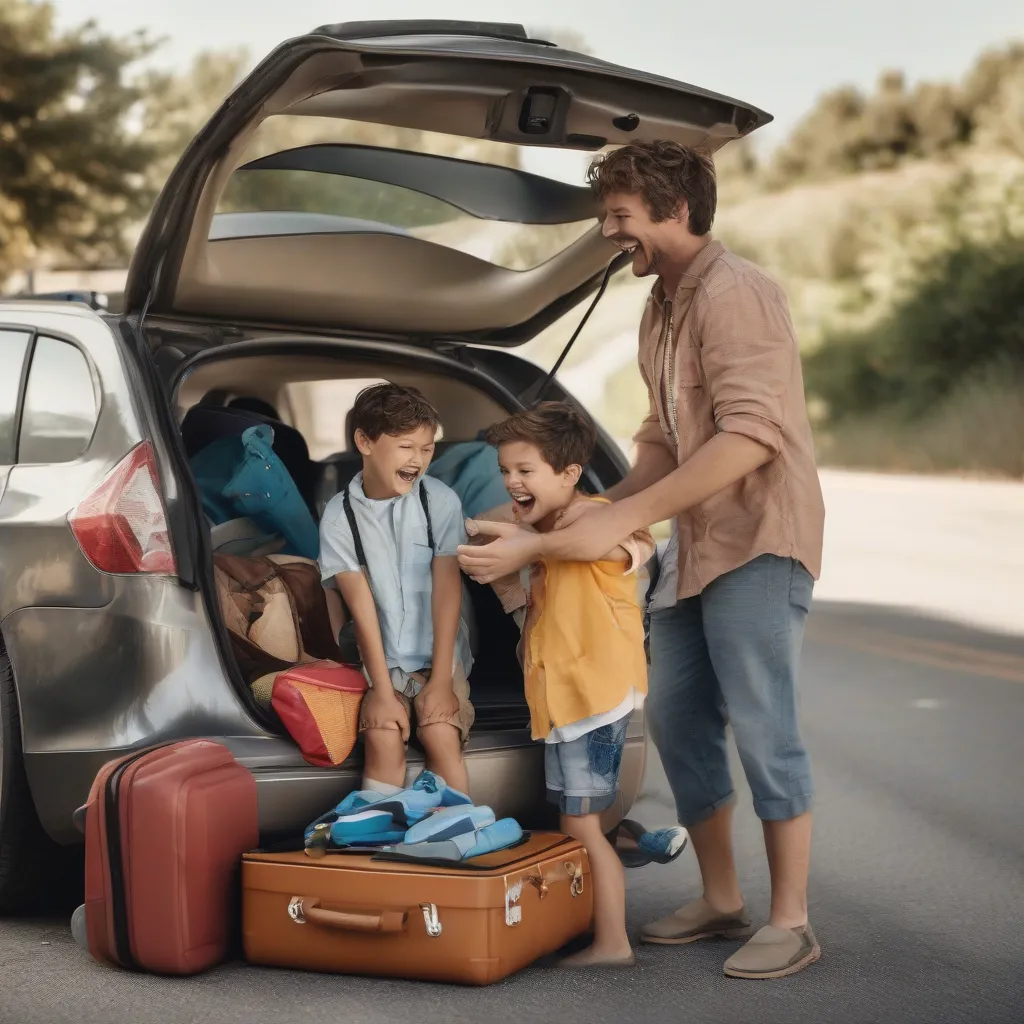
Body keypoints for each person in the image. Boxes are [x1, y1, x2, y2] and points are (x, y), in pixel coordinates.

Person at [458, 140, 826, 980]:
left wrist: (625, 518)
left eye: (620, 216)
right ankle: (724, 898)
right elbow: (662, 437)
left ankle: (793, 918)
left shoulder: (738, 295)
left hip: (760, 538)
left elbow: (750, 434)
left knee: (764, 725)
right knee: (681, 720)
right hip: (694, 545)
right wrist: (598, 515)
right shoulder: (662, 304)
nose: (608, 231)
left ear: (677, 211)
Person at [477, 402, 654, 968]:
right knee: (583, 820)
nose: (512, 482)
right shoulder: (550, 530)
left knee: (581, 825)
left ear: (570, 473)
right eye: (506, 470)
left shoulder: (593, 521)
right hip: (573, 701)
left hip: (593, 698)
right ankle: (625, 853)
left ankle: (613, 944)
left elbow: (618, 544)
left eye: (526, 470)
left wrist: (525, 540)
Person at [319, 383, 475, 797]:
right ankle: (379, 840)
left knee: (441, 732)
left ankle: (458, 830)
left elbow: (446, 593)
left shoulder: (439, 502)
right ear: (364, 442)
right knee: (383, 735)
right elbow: (361, 608)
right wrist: (382, 692)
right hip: (379, 663)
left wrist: (442, 680)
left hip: (439, 657)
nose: (418, 460)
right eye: (407, 447)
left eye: (427, 449)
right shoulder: (339, 518)